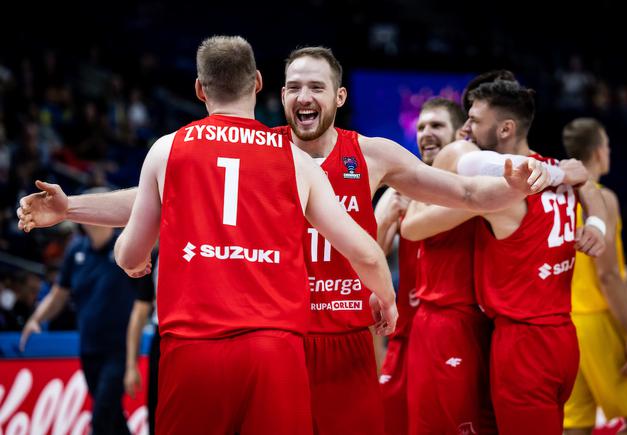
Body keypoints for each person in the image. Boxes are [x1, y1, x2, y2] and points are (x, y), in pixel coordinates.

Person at [19, 46, 547, 434]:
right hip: (280, 342)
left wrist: (510, 186)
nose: (303, 96)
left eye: (316, 86)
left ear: (338, 96)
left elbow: (462, 191)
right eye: (294, 86)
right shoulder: (259, 150)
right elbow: (148, 198)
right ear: (277, 93)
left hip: (341, 344)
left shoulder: (373, 154)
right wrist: (75, 208)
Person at [112, 35, 403, 434]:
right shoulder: (295, 160)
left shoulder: (168, 149)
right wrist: (386, 300)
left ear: (200, 88)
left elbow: (131, 253)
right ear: (260, 83)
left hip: (193, 348)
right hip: (274, 351)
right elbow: (367, 254)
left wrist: (131, 258)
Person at [402, 80, 607, 435]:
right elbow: (585, 181)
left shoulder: (505, 188)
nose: (466, 130)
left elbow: (414, 227)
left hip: (521, 343)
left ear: (505, 128)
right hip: (562, 335)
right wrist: (597, 225)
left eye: (474, 120)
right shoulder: (555, 169)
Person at [560, 118, 627, 435]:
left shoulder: (557, 198)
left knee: (575, 427)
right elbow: (609, 276)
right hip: (598, 319)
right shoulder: (603, 198)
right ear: (599, 152)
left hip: (564, 324)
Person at [374, 97, 466, 435]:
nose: (426, 133)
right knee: (392, 422)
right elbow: (370, 256)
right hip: (406, 334)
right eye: (422, 126)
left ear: (460, 134)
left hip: (453, 331)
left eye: (437, 125)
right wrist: (385, 221)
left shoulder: (469, 189)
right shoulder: (401, 188)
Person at [20, 188, 142, 435]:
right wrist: (36, 319)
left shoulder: (126, 246)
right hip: (89, 347)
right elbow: (58, 295)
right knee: (112, 418)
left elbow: (144, 298)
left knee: (101, 416)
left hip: (119, 349)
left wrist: (132, 362)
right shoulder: (75, 252)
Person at [124, 260, 160, 435]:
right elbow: (138, 314)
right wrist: (131, 366)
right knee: (158, 413)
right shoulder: (156, 258)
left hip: (211, 337)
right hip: (165, 338)